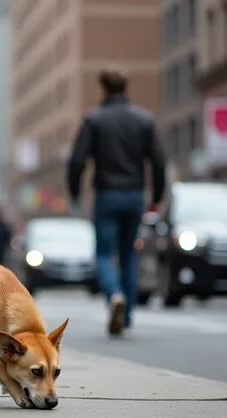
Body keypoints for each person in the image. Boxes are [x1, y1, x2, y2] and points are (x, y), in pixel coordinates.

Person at [66, 67, 166, 338]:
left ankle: (114, 294)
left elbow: (76, 161)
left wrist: (74, 192)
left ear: (104, 90)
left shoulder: (94, 119)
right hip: (135, 195)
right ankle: (127, 316)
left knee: (103, 254)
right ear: (126, 89)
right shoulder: (144, 120)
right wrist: (156, 197)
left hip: (106, 195)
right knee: (128, 255)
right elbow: (158, 161)